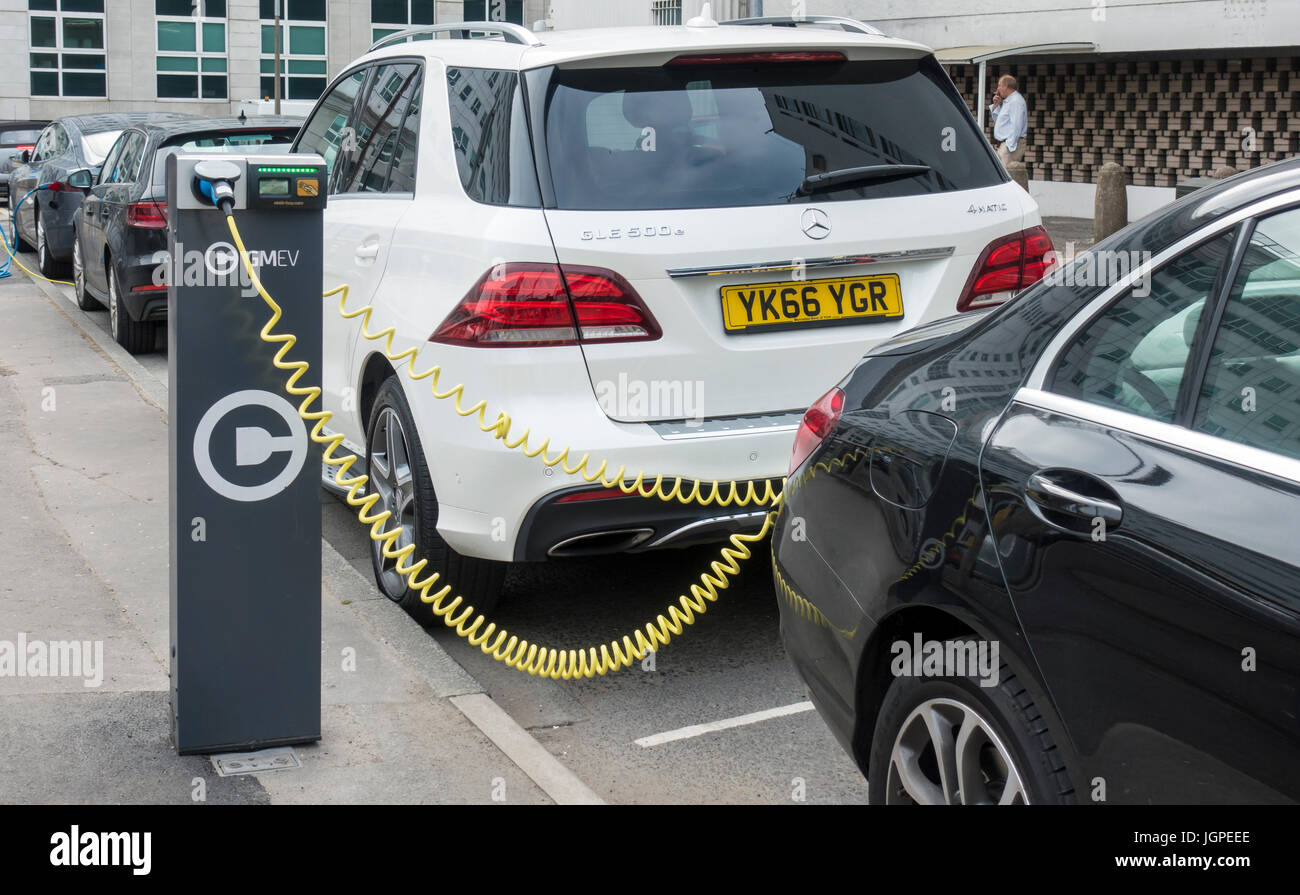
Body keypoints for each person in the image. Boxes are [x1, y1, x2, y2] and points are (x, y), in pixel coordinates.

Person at [988, 74, 1028, 166]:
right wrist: (996, 106)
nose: (997, 89)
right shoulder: (1008, 101)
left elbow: (1016, 125)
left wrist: (1009, 146)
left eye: (999, 85)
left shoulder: (1015, 101)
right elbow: (1000, 122)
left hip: (1010, 146)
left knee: (1006, 174)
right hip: (1004, 144)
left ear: (1006, 87)